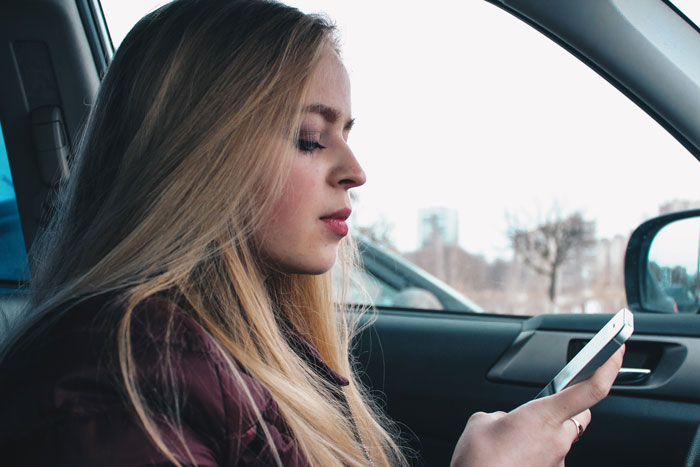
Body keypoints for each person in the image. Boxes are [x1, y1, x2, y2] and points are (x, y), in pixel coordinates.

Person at [0, 0, 623, 465]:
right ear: (195, 156)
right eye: (309, 138)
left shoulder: (243, 346)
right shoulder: (124, 373)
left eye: (347, 133)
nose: (355, 172)